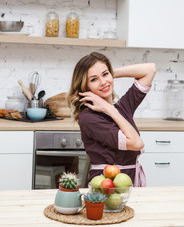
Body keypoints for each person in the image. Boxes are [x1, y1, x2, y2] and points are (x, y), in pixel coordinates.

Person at [67, 52, 156, 187]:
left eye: (105, 74)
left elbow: (150, 70)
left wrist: (111, 74)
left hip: (129, 181)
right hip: (106, 185)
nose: (103, 82)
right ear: (85, 88)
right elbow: (137, 143)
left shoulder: (122, 107)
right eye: (94, 79)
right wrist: (108, 108)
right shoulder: (89, 118)